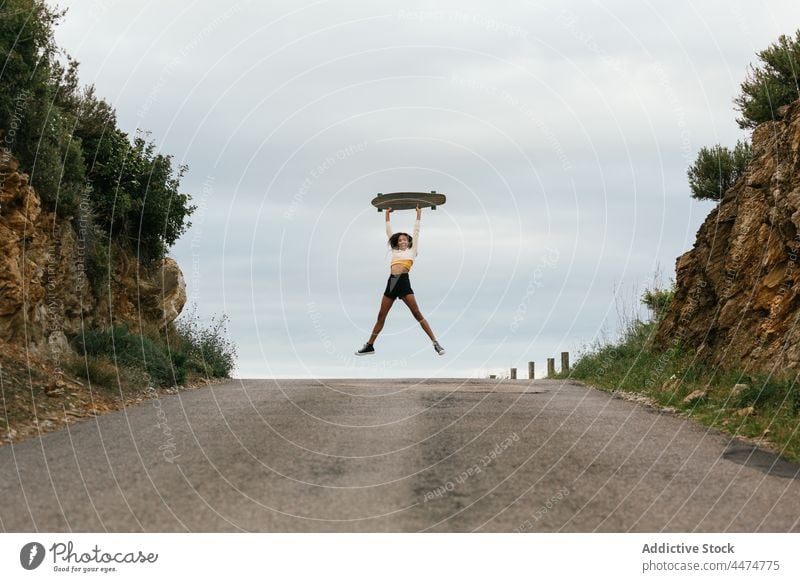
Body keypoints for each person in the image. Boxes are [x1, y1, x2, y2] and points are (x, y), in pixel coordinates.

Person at [355, 204, 445, 356]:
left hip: (403, 281)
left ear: (408, 242)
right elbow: (388, 232)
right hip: (392, 282)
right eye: (400, 240)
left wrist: (418, 214)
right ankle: (370, 345)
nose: (402, 241)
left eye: (405, 239)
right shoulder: (395, 251)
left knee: (417, 314)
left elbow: (416, 232)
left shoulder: (412, 250)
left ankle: (436, 343)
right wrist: (387, 214)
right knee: (381, 316)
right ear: (397, 243)